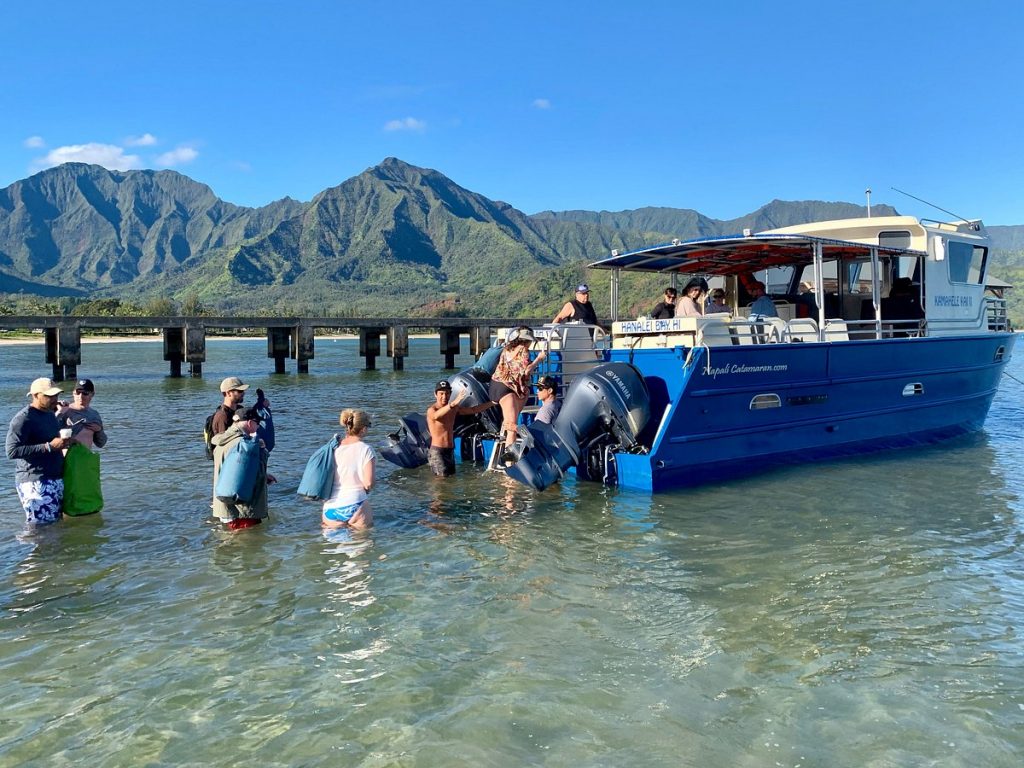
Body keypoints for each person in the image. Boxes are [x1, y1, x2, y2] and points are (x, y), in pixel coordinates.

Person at [5, 378, 71, 526]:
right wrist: (48, 446)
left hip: (55, 478)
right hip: (34, 481)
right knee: (41, 530)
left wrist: (64, 442)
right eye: (49, 396)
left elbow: (51, 441)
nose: (55, 399)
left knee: (55, 528)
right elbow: (11, 451)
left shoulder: (50, 414)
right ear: (35, 395)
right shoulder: (23, 418)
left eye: (56, 395)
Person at [211, 405, 275, 530]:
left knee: (230, 542)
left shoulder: (221, 442)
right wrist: (262, 451)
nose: (258, 427)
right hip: (242, 509)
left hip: (223, 506)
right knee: (246, 542)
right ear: (250, 423)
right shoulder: (245, 445)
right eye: (258, 424)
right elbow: (257, 471)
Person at [489, 326, 547, 460]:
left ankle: (504, 456)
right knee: (511, 429)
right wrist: (539, 359)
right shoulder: (524, 350)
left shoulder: (507, 348)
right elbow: (526, 371)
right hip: (508, 388)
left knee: (508, 422)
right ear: (527, 341)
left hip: (495, 386)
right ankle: (510, 464)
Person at [426, 380, 495, 477]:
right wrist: (452, 404)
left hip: (450, 450)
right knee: (441, 483)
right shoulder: (432, 410)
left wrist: (493, 403)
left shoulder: (454, 409)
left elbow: (473, 410)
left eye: (447, 393)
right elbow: (436, 416)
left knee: (451, 480)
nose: (444, 396)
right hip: (438, 452)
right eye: (441, 393)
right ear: (435, 394)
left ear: (450, 394)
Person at [322, 409, 375, 530]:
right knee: (361, 544)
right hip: (356, 503)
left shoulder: (333, 448)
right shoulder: (366, 449)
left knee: (335, 548)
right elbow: (368, 483)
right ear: (363, 429)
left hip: (330, 507)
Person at [57, 379, 107, 450]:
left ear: (92, 394)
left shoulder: (94, 415)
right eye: (78, 393)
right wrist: (59, 413)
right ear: (73, 393)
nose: (80, 396)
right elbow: (48, 433)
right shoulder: (64, 410)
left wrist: (99, 430)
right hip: (64, 457)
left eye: (85, 393)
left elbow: (101, 443)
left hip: (84, 458)